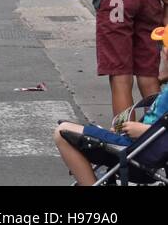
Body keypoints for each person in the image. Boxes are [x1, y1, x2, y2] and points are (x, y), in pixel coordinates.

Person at [53, 28, 168, 185]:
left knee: (62, 133)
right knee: (67, 129)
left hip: (139, 149)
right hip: (141, 146)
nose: (159, 52)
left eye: (161, 47)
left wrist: (142, 130)